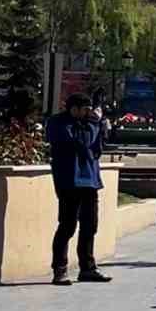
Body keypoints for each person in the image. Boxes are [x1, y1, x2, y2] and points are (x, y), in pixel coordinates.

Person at [47, 93, 112, 285]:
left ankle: (88, 268)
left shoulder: (89, 123)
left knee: (90, 226)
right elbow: (81, 143)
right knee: (67, 226)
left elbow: (97, 148)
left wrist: (102, 127)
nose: (88, 113)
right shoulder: (58, 123)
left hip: (90, 181)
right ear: (74, 109)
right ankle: (60, 269)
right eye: (85, 109)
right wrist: (94, 123)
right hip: (69, 181)